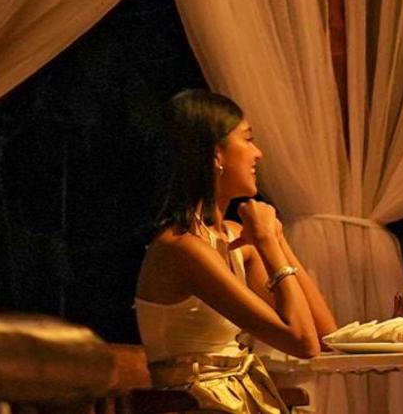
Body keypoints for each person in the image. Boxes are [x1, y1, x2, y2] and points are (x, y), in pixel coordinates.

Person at [136, 90, 337, 413]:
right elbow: (303, 343)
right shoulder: (183, 248)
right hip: (198, 404)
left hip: (235, 399)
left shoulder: (232, 238)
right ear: (216, 154)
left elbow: (326, 337)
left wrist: (276, 238)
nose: (258, 153)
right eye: (248, 139)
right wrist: (267, 243)